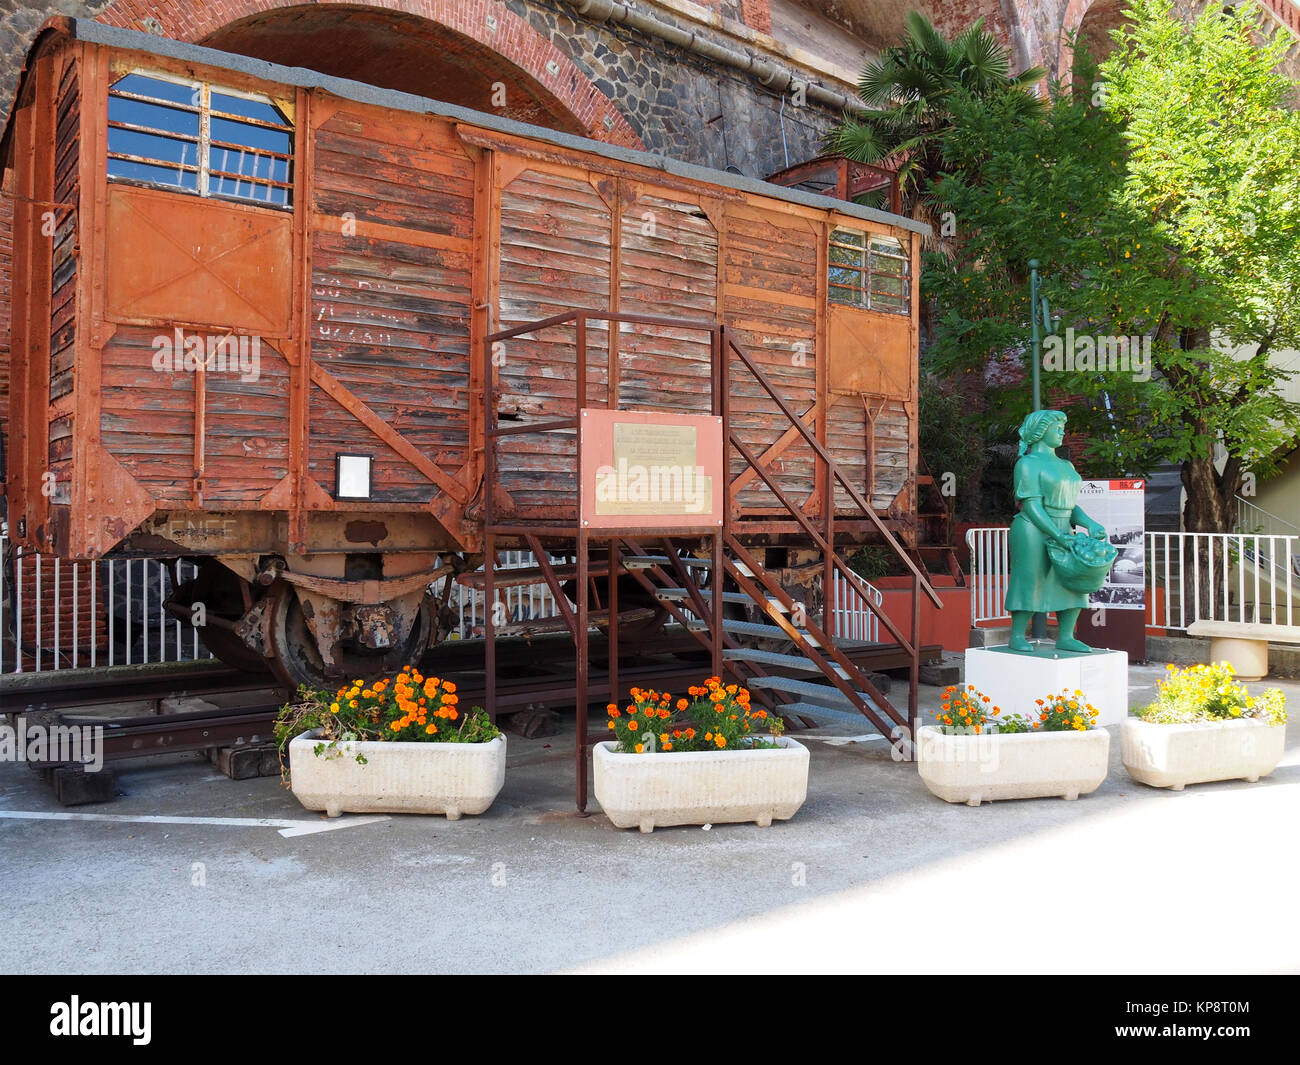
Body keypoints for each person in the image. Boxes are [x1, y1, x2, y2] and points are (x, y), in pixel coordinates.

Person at [1004, 409, 1108, 653]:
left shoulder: (1066, 464)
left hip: (1062, 525)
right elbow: (1031, 505)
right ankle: (1017, 635)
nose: (1062, 431)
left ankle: (1066, 636)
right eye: (1057, 426)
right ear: (1040, 431)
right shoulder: (1027, 464)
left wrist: (1089, 523)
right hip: (1032, 529)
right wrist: (1057, 534)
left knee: (1070, 578)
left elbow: (1070, 504)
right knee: (1031, 578)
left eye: (1063, 426)